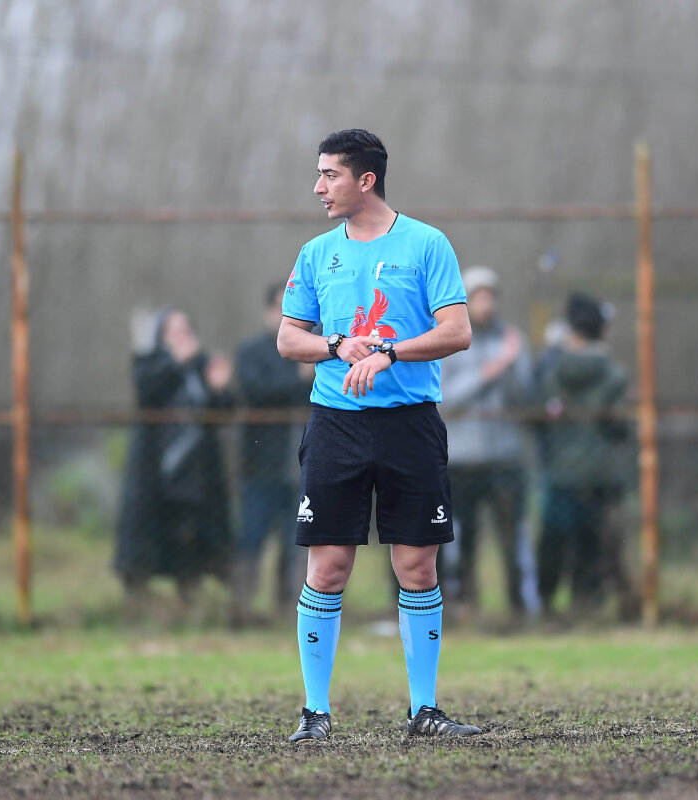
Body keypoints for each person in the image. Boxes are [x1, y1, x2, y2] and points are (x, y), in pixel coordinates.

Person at [278, 129, 480, 742]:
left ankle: (425, 711)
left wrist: (390, 352)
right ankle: (315, 714)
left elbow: (458, 331)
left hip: (410, 424)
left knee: (417, 565)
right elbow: (289, 339)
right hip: (335, 424)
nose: (319, 187)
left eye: (330, 175)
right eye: (319, 174)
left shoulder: (427, 244)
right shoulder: (316, 253)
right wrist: (337, 345)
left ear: (365, 180)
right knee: (328, 566)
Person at [115, 307, 234, 616]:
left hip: (194, 475)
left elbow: (224, 411)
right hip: (156, 474)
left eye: (186, 330)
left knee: (189, 541)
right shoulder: (151, 364)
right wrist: (176, 362)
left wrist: (219, 388)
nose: (182, 337)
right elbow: (147, 390)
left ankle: (188, 601)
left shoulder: (202, 366)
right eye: (173, 331)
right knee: (146, 541)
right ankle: (138, 605)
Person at [441, 265, 539, 616]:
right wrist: (491, 370)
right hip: (461, 460)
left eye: (490, 297)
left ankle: (519, 605)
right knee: (462, 537)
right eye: (478, 297)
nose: (486, 304)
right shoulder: (447, 341)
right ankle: (465, 602)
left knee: (512, 535)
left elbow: (524, 396)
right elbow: (445, 399)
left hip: (504, 458)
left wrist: (509, 366)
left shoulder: (512, 341)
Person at [535, 293, 631, 616]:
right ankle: (588, 605)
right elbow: (620, 426)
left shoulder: (553, 372)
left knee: (555, 540)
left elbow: (539, 418)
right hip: (601, 475)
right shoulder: (614, 375)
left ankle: (545, 602)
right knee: (593, 543)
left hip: (560, 472)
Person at [232, 283, 314, 625]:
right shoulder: (251, 351)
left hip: (302, 465)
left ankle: (290, 609)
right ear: (268, 311)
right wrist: (298, 378)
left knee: (296, 543)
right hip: (261, 465)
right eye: (280, 307)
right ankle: (241, 609)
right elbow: (257, 391)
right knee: (252, 536)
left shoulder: (315, 347)